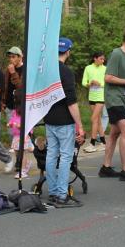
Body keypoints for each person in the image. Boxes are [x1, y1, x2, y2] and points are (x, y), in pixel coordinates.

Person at [42, 38, 85, 207]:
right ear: (68, 52)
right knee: (66, 157)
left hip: (49, 117)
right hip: (64, 120)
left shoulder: (47, 71)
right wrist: (79, 125)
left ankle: (53, 191)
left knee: (51, 154)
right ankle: (61, 194)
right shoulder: (66, 72)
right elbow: (71, 102)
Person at [100, 27, 125, 181]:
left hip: (122, 100)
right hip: (113, 99)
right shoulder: (117, 54)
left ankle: (106, 167)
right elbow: (108, 77)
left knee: (114, 133)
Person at [81, 51, 107, 152]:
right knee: (98, 120)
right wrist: (90, 83)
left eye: (103, 59)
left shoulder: (105, 69)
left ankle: (92, 144)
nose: (103, 60)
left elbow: (108, 82)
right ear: (95, 58)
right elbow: (84, 82)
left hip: (101, 97)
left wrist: (99, 84)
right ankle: (103, 143)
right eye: (101, 59)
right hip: (92, 97)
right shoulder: (88, 68)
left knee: (94, 119)